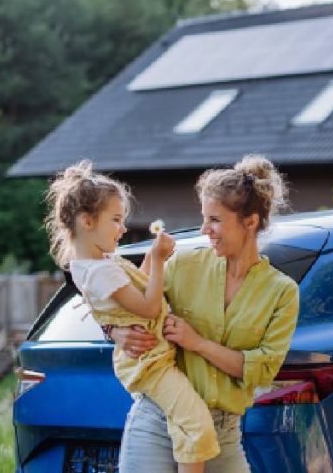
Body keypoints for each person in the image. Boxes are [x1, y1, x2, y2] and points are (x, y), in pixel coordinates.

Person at [109, 154, 300, 472]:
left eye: (214, 219)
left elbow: (261, 370)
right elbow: (127, 306)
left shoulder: (281, 292)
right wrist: (116, 332)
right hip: (159, 421)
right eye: (204, 218)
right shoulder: (183, 265)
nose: (204, 229)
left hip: (221, 434)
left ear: (250, 222)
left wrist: (196, 342)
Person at [44, 160, 218, 473]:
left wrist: (151, 257)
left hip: (152, 357)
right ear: (86, 221)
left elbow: (134, 292)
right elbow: (149, 307)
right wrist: (161, 262)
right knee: (197, 424)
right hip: (150, 363)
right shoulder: (99, 272)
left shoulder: (98, 264)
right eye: (115, 219)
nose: (123, 228)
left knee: (186, 423)